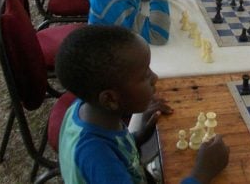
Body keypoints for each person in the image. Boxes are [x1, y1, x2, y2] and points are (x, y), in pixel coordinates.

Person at [56, 24, 230, 184]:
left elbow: (113, 147)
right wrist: (200, 175)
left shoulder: (85, 109)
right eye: (145, 76)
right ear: (110, 99)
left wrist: (136, 138)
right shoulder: (99, 160)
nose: (155, 78)